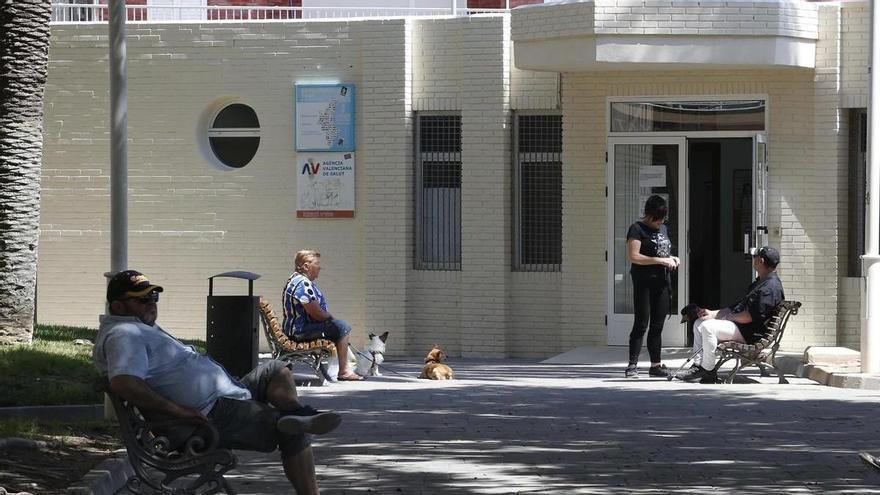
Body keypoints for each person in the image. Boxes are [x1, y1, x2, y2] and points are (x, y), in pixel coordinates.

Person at [94, 270, 341, 495]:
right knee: (291, 431)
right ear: (118, 305)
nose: (151, 304)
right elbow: (124, 382)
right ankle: (299, 430)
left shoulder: (136, 328)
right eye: (142, 299)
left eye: (154, 297)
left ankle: (298, 414)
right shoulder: (124, 334)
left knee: (277, 369)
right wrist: (181, 411)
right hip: (209, 415)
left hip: (227, 397)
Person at [682, 246, 785, 384]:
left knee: (708, 327)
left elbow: (750, 317)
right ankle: (698, 365)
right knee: (699, 322)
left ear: (760, 261)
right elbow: (736, 307)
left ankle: (708, 370)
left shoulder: (770, 288)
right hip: (741, 327)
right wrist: (713, 313)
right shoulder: (761, 282)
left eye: (755, 257)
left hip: (750, 333)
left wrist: (725, 318)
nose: (753, 259)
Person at [282, 250, 363, 381]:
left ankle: (344, 369)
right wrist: (331, 319)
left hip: (297, 329)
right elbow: (316, 313)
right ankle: (344, 371)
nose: (320, 267)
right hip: (299, 331)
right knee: (342, 327)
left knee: (339, 326)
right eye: (317, 264)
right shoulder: (302, 283)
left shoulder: (297, 280)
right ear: (306, 266)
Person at [625, 195, 680, 378]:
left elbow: (663, 251)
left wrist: (672, 258)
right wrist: (661, 261)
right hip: (644, 282)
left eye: (663, 218)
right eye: (657, 218)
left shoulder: (663, 228)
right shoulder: (637, 229)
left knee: (658, 325)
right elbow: (634, 256)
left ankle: (655, 365)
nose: (660, 222)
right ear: (649, 214)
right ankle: (632, 365)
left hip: (662, 282)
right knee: (641, 322)